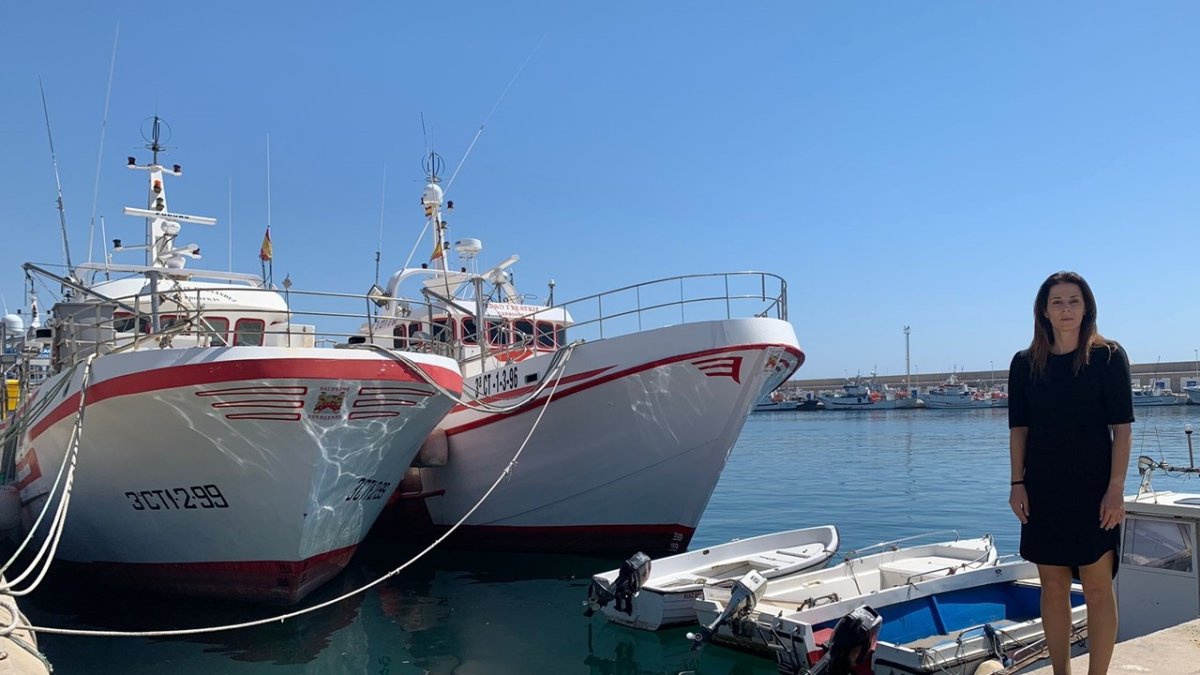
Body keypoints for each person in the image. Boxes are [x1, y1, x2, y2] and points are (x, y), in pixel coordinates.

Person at [1007, 271, 1134, 675]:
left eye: (1073, 300)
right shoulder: (1025, 364)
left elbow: (1123, 429)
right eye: (1057, 302)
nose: (1066, 309)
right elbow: (1019, 430)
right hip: (1043, 489)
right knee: (1054, 587)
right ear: (1044, 310)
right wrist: (1017, 483)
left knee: (1097, 589)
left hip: (1095, 489)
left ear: (1087, 306)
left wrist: (1116, 488)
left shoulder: (1109, 357)